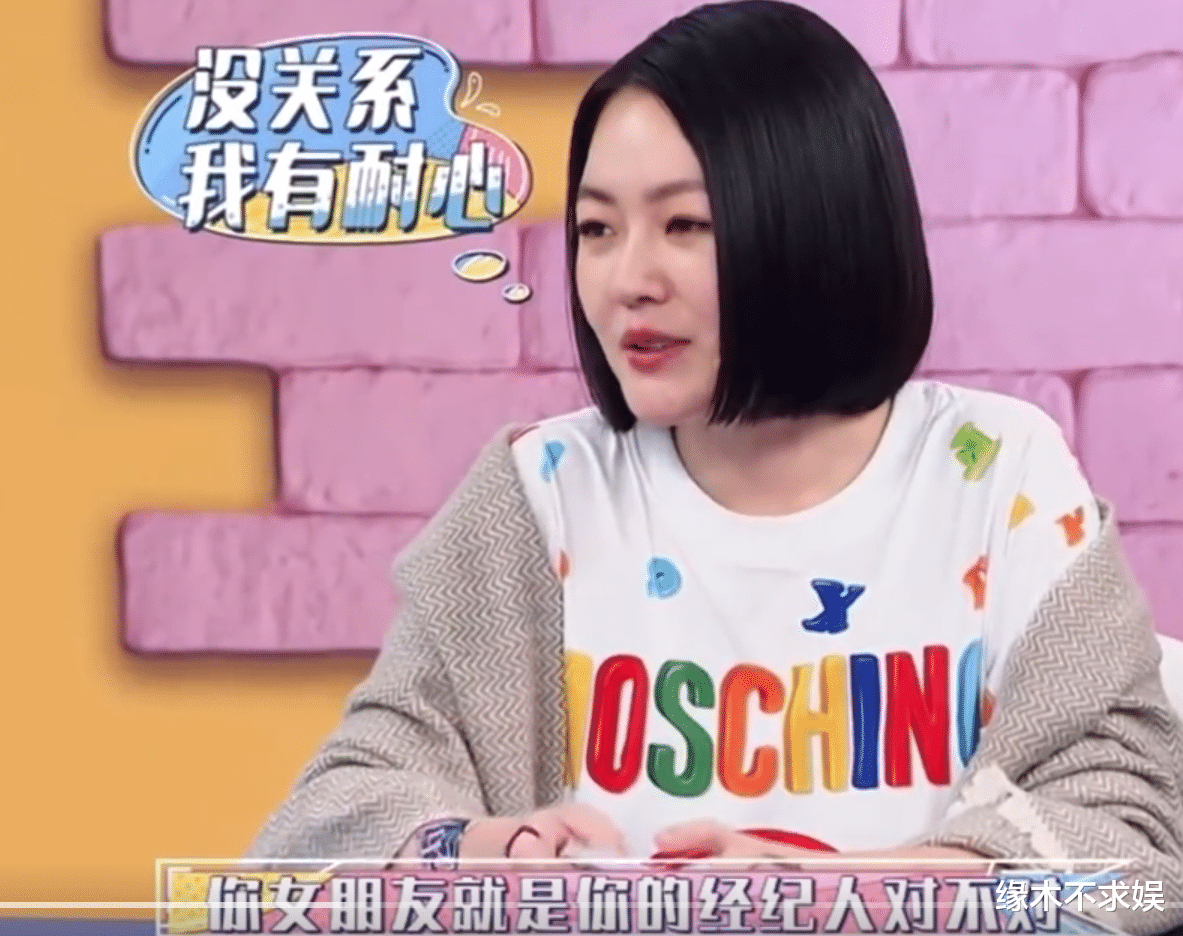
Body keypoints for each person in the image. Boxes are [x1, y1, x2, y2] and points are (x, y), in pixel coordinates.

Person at [250, 1, 1183, 929]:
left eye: (685, 225)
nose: (627, 280)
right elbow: (330, 818)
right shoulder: (540, 496)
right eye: (597, 229)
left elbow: (1134, 854)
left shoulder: (995, 477)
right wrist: (474, 853)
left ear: (816, 222)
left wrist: (847, 897)